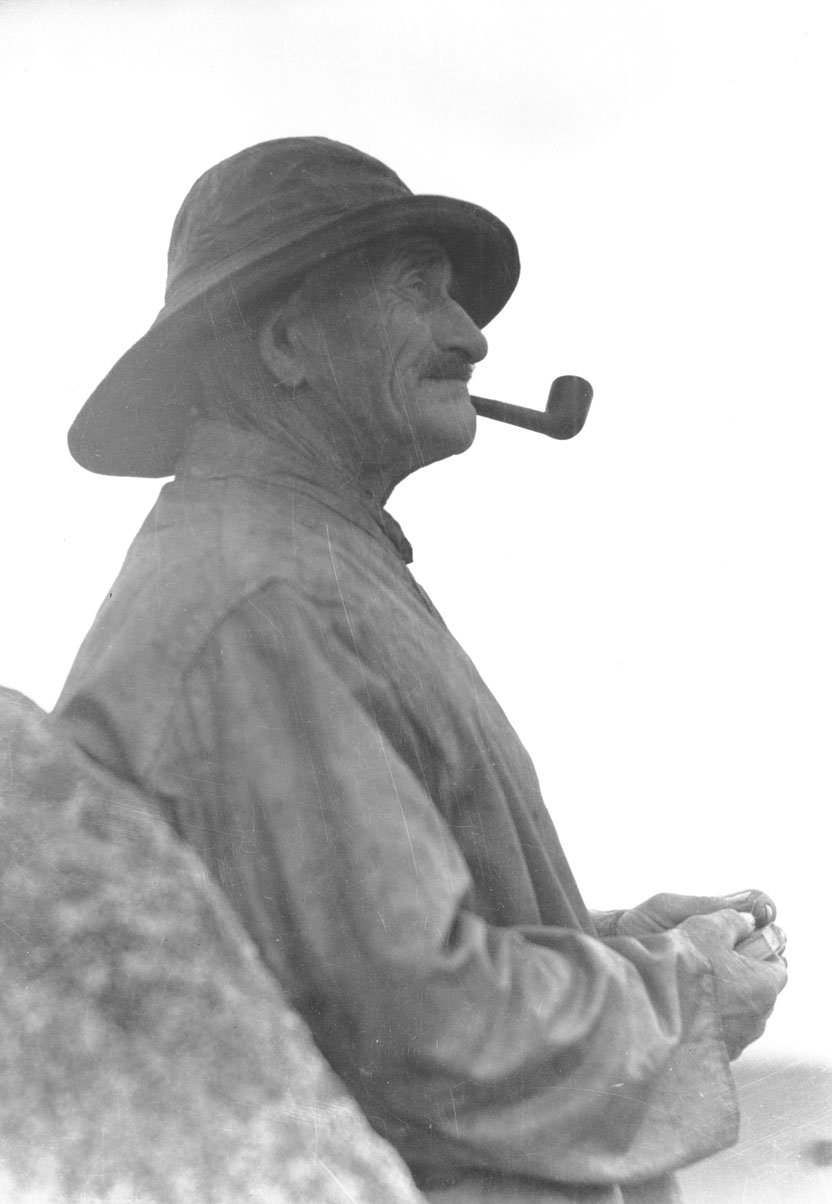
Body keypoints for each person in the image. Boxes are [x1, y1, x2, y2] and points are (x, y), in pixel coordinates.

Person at [54, 137, 787, 1204]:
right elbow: (413, 1026)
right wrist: (684, 992)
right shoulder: (264, 601)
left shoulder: (303, 561)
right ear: (287, 340)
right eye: (418, 291)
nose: (473, 338)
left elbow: (357, 953)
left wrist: (608, 940)